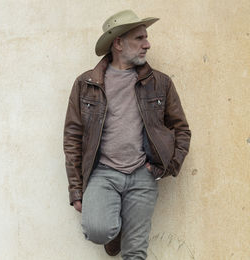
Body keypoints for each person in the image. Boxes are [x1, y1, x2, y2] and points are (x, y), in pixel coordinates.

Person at [63, 10, 191, 259]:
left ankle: (129, 231)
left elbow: (181, 128)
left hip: (143, 175)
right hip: (103, 173)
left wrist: (167, 166)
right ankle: (118, 226)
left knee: (135, 252)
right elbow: (72, 138)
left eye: (146, 37)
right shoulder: (86, 84)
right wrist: (76, 190)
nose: (147, 44)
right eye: (139, 38)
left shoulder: (160, 83)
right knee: (97, 229)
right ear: (118, 43)